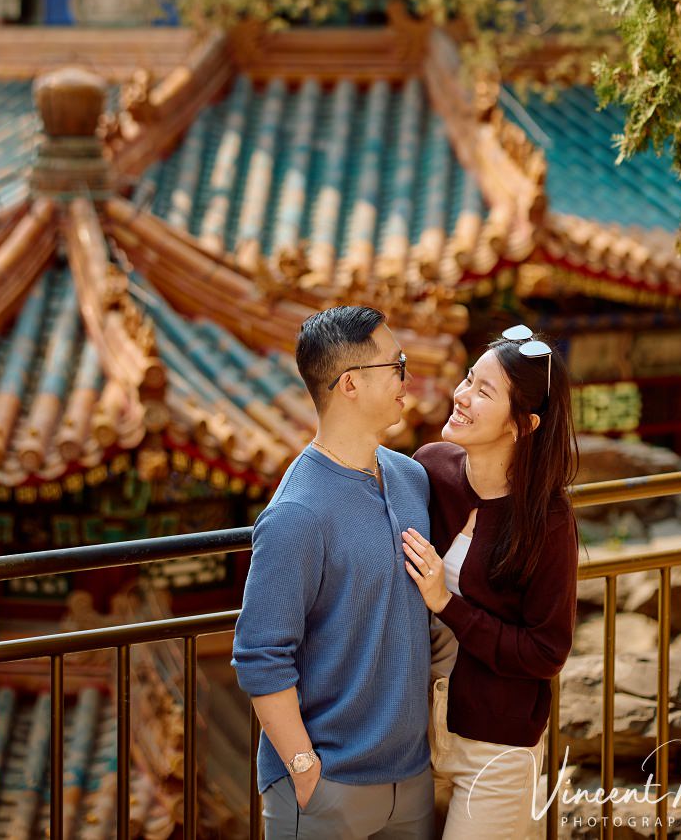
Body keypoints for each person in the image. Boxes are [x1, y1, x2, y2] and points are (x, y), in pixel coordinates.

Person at [232, 304, 435, 840]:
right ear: (350, 383)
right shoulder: (295, 513)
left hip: (412, 779)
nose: (405, 377)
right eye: (396, 364)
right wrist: (305, 771)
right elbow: (259, 656)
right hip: (329, 787)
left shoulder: (412, 479)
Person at [402, 326, 580, 840]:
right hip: (415, 731)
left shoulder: (547, 520)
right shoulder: (431, 467)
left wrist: (447, 603)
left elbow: (547, 652)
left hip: (496, 750)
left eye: (484, 392)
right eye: (467, 380)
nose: (461, 396)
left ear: (522, 424)